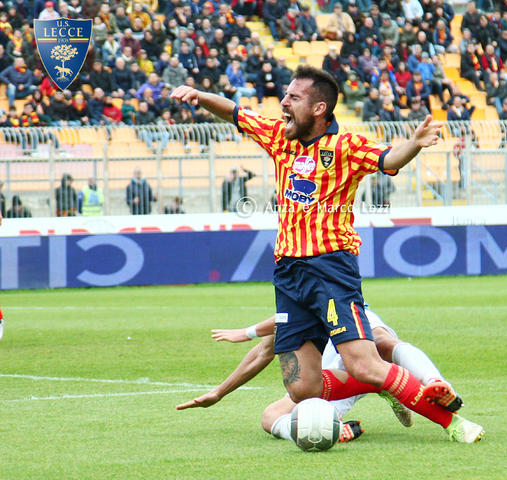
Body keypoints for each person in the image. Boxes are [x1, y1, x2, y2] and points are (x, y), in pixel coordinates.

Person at [171, 66, 478, 440]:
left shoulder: (346, 146)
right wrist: (199, 96)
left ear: (319, 108)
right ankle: (387, 387)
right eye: (285, 95)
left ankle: (453, 422)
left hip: (330, 266)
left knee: (364, 363)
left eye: (293, 97)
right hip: (288, 274)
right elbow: (236, 112)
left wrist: (414, 143)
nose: (284, 102)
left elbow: (389, 159)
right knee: (302, 388)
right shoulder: (279, 137)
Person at [176, 307, 484, 443]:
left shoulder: (327, 275)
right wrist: (218, 392)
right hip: (332, 378)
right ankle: (341, 421)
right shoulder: (292, 308)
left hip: (362, 348)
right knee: (270, 417)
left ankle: (436, 384)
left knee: (382, 341)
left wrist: (246, 331)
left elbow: (276, 325)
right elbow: (263, 351)